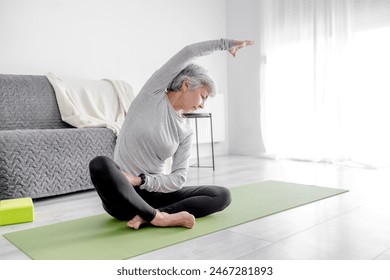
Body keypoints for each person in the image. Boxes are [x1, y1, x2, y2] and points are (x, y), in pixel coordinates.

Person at [89, 39, 254, 229]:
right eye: (203, 96)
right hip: (122, 199)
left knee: (222, 195)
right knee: (100, 164)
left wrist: (141, 180)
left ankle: (150, 216)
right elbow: (189, 51)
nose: (202, 105)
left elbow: (178, 179)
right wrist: (227, 44)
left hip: (155, 195)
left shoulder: (185, 131)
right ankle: (158, 218)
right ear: (186, 84)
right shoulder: (152, 93)